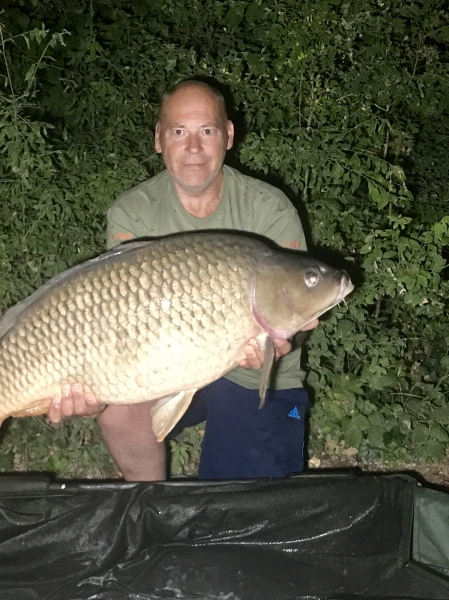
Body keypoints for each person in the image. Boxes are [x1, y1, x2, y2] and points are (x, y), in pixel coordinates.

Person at [48, 79, 317, 480]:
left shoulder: (270, 210)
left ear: (227, 136)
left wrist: (279, 345)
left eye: (206, 131)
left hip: (257, 377)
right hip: (165, 367)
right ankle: (152, 508)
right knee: (120, 417)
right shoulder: (132, 214)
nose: (193, 148)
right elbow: (117, 327)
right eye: (178, 132)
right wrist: (93, 387)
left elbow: (296, 318)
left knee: (235, 512)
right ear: (159, 139)